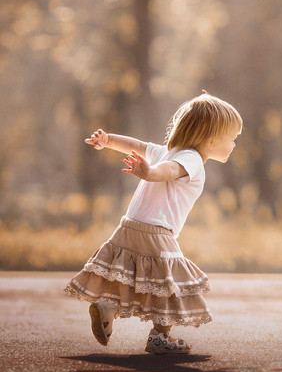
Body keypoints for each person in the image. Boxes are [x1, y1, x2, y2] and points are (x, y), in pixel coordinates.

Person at [65, 92, 242, 354]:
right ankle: (160, 338)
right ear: (212, 137)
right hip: (157, 232)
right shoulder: (191, 159)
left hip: (129, 226)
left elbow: (135, 145)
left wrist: (109, 140)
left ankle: (108, 306)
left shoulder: (164, 151)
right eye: (232, 138)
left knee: (127, 273)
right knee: (168, 288)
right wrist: (149, 173)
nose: (234, 144)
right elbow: (169, 171)